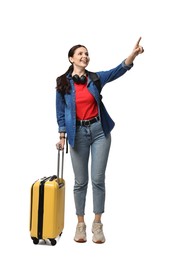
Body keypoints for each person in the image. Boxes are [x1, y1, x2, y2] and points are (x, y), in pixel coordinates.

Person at [55, 37, 144, 243]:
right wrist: (61, 137)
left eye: (86, 54)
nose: (84, 56)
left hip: (99, 132)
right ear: (71, 59)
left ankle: (97, 225)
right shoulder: (62, 82)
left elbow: (118, 70)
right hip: (77, 134)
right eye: (80, 54)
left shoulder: (94, 78)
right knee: (80, 182)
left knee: (97, 179)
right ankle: (80, 225)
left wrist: (133, 55)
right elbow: (60, 112)